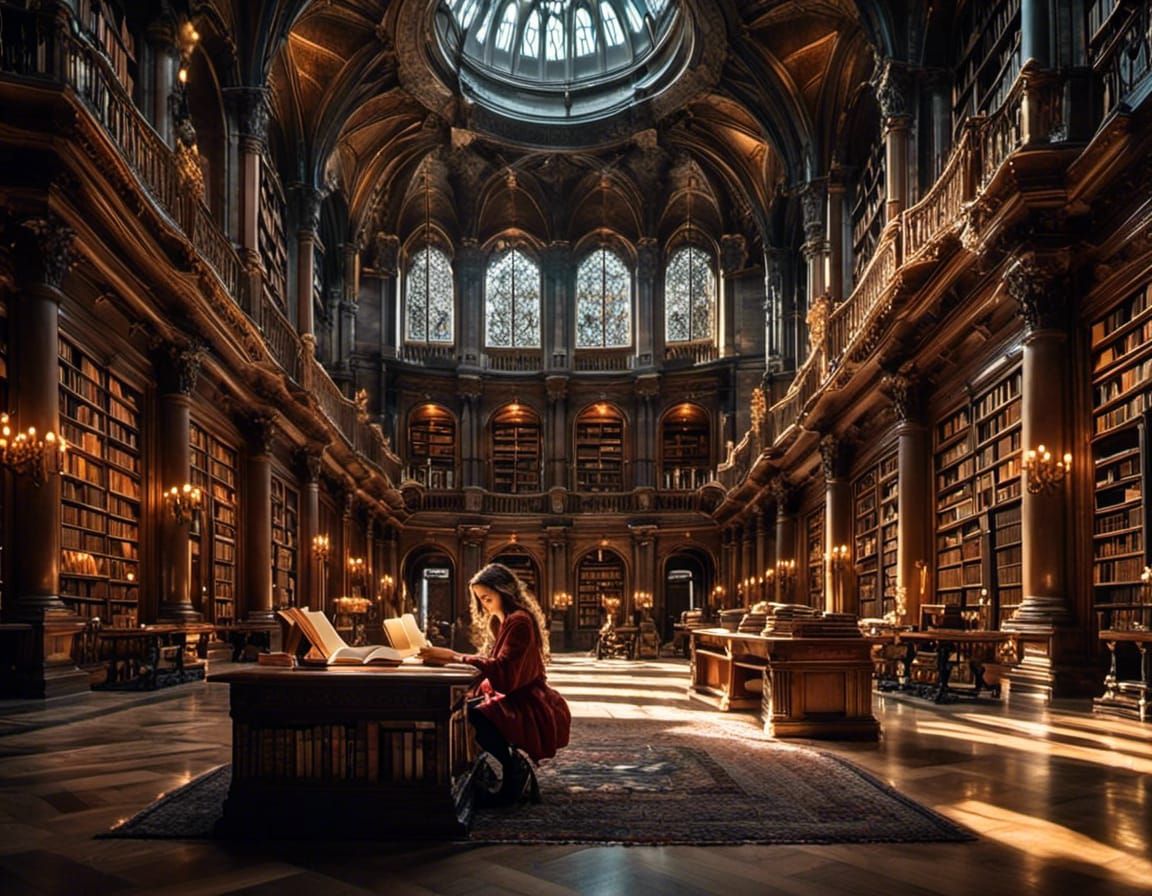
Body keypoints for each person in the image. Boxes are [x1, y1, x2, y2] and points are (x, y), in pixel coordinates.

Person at [419, 563, 571, 807]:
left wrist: (454, 657)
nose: (483, 605)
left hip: (526, 699)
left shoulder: (519, 621)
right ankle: (482, 769)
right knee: (465, 705)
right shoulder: (503, 621)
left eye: (487, 598)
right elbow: (495, 665)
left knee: (475, 714)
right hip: (514, 692)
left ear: (505, 592)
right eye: (480, 600)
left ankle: (514, 767)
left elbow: (504, 671)